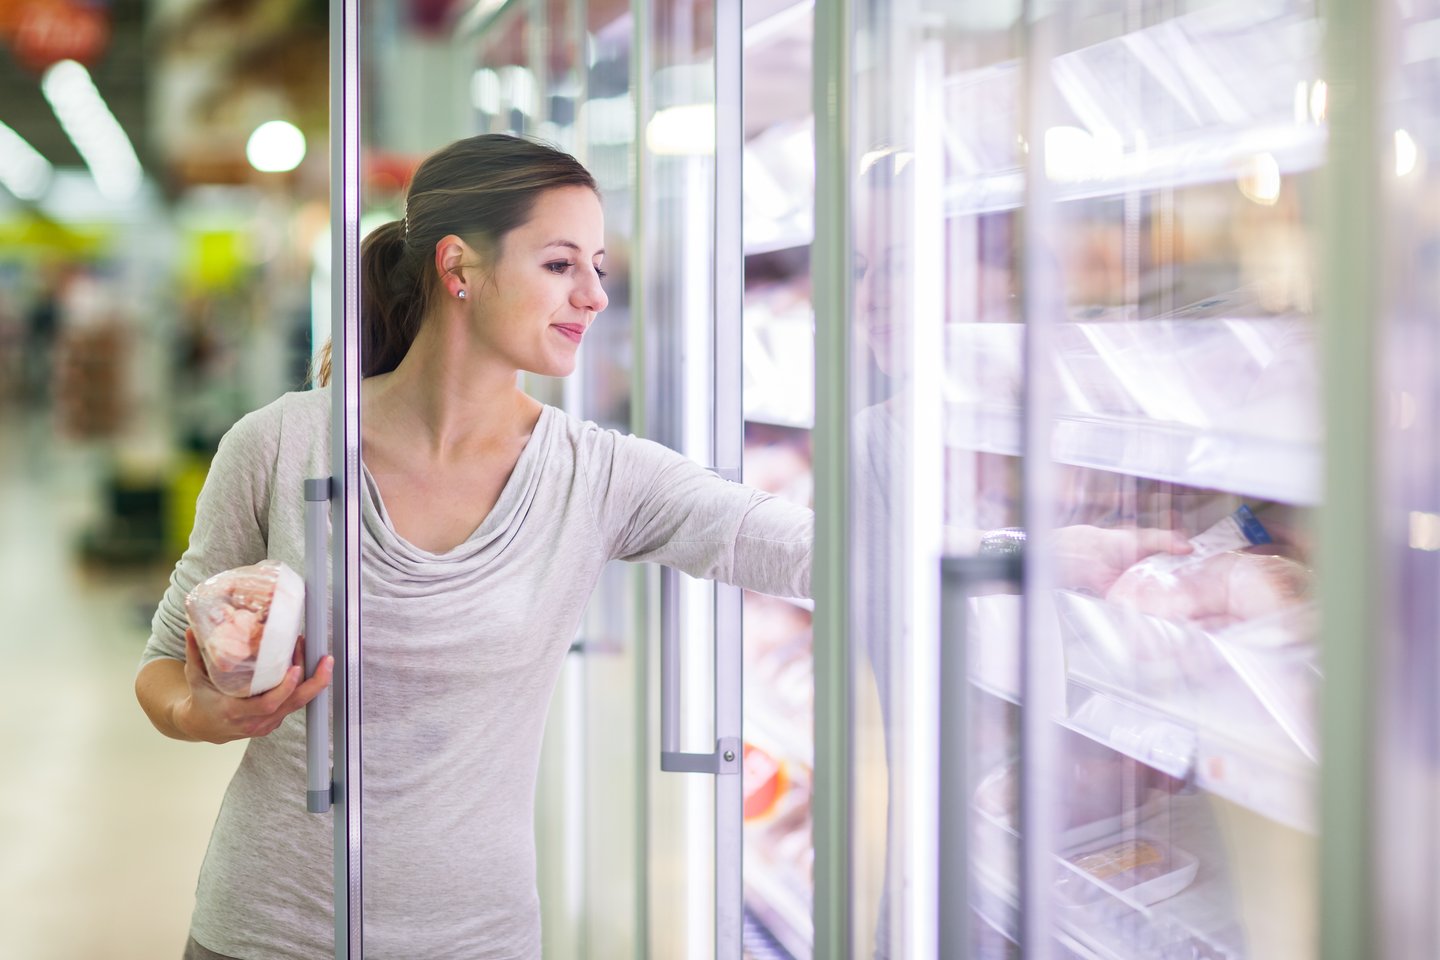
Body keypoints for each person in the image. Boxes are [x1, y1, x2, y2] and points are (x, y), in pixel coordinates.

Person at [134, 133, 814, 960]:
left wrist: (954, 534)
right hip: (268, 928)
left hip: (474, 939)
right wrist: (200, 712)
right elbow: (165, 664)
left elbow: (775, 541)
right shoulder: (279, 444)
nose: (595, 296)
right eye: (561, 265)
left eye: (599, 266)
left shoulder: (595, 475)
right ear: (459, 268)